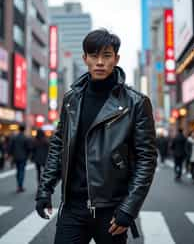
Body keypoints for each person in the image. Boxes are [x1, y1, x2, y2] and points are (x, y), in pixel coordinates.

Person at [35, 29, 157, 244]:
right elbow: (58, 145)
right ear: (85, 59)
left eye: (107, 56)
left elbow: (146, 160)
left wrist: (129, 209)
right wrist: (45, 189)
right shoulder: (72, 99)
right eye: (93, 56)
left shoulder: (136, 103)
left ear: (116, 59)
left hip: (111, 209)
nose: (100, 62)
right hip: (72, 207)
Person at [9, 125, 30, 192]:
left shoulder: (14, 137)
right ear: (24, 130)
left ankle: (18, 185)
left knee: (18, 171)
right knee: (21, 171)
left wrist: (11, 155)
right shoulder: (25, 138)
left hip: (16, 156)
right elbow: (28, 148)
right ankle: (20, 186)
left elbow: (11, 147)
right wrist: (28, 155)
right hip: (23, 157)